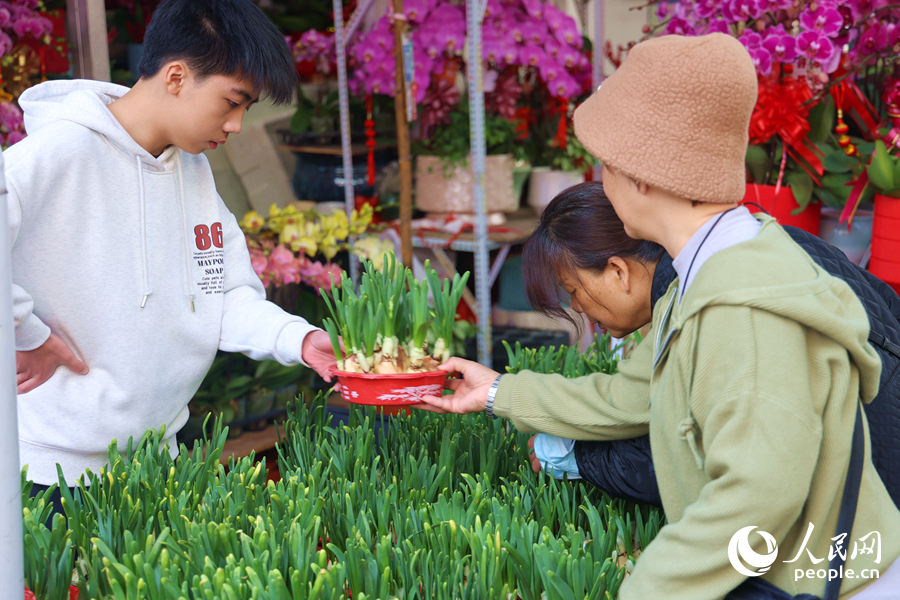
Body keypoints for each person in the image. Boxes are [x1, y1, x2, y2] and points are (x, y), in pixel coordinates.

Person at [420, 34, 900, 599]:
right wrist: (500, 392)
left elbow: (754, 497)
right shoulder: (703, 276)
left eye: (605, 165)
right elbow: (630, 397)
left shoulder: (745, 307)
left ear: (642, 176)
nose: (601, 181)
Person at [9, 0, 336, 518]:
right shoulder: (57, 152)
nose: (235, 125)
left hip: (157, 465)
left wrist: (301, 339)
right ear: (178, 76)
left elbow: (223, 295)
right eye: (232, 102)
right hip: (50, 477)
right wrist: (27, 333)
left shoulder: (192, 172)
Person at [522, 182, 900, 515]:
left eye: (573, 291)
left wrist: (576, 455)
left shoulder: (706, 299)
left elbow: (700, 460)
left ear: (619, 271)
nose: (577, 308)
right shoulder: (776, 238)